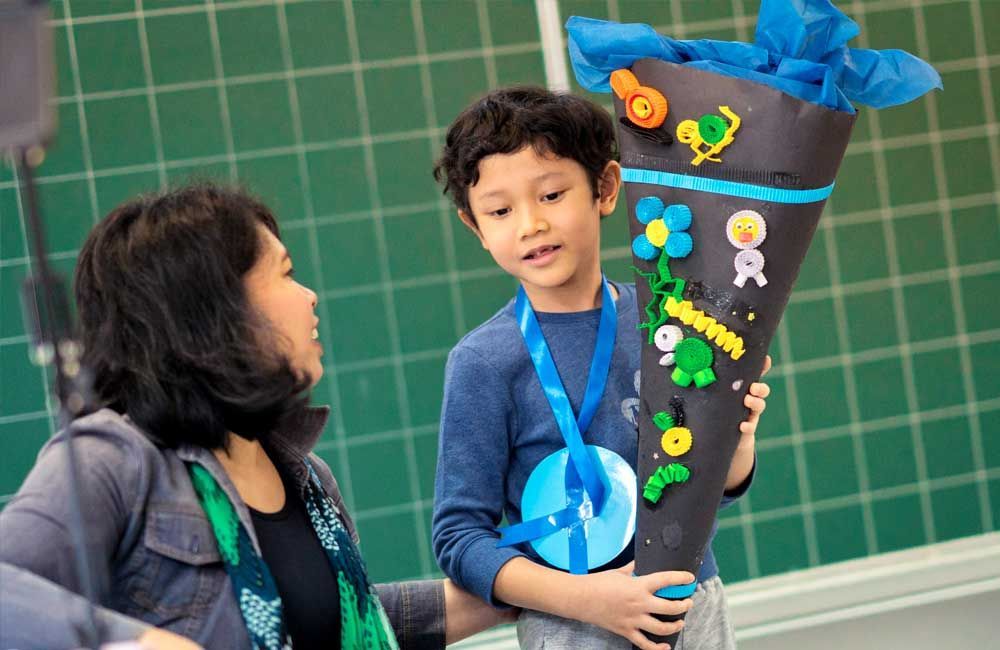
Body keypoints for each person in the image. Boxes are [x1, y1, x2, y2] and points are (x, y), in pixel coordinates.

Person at [0, 184, 510, 649]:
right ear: (213, 309)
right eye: (286, 273)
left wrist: (516, 585)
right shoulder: (111, 458)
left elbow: (341, 623)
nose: (310, 296)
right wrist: (137, 644)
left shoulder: (303, 472)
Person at [430, 87, 771, 650]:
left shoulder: (671, 321)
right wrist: (592, 601)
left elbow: (712, 491)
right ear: (475, 226)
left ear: (605, 188)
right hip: (573, 627)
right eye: (500, 210)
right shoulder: (484, 363)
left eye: (552, 194)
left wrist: (738, 441)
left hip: (692, 606)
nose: (531, 224)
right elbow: (460, 539)